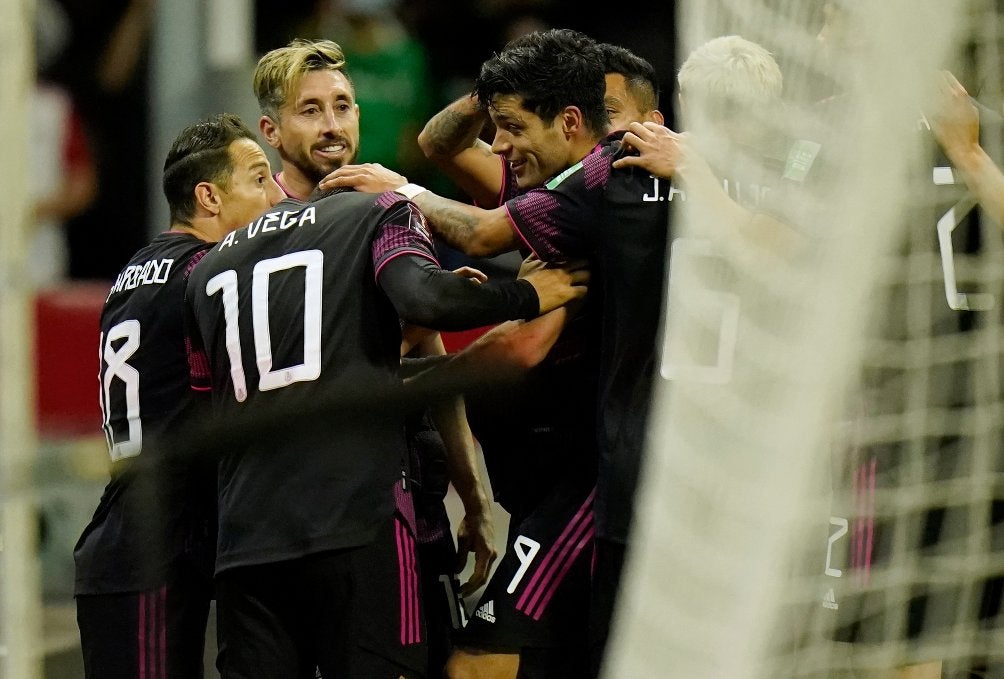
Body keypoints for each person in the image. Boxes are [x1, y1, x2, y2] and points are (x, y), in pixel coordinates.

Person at [321, 27, 671, 677]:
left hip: (589, 478)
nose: (501, 143)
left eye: (513, 125)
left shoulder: (602, 178)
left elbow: (521, 337)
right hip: (556, 472)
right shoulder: (554, 181)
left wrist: (409, 381)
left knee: (479, 662)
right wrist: (501, 87)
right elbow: (441, 144)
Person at [184, 153, 587, 677]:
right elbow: (425, 298)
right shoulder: (380, 210)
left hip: (245, 540)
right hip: (356, 519)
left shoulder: (206, 267)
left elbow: (208, 403)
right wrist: (526, 293)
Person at [250, 37, 497, 676]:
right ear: (271, 131)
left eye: (342, 106)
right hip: (284, 522)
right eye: (310, 110)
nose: (332, 125)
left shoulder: (380, 211)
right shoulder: (245, 230)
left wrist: (472, 498)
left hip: (391, 507)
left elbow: (434, 365)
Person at [73, 113, 284, 678]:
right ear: (209, 197)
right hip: (157, 544)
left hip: (130, 533)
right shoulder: (211, 273)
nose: (275, 197)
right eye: (258, 179)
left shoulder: (134, 271)